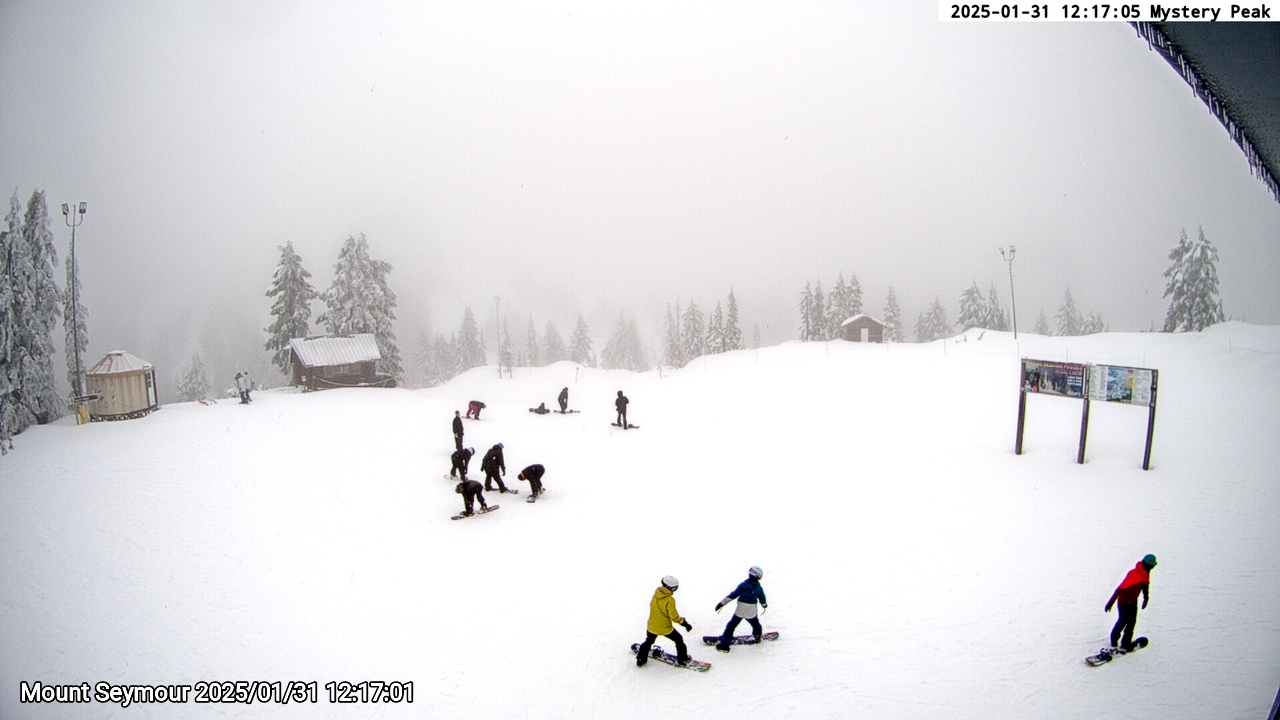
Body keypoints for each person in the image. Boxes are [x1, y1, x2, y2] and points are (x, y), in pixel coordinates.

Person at [636, 576, 691, 667]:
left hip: (651, 626)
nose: (674, 591)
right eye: (674, 588)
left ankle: (640, 658)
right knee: (679, 640)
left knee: (649, 641)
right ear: (669, 587)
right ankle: (683, 659)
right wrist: (684, 623)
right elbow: (674, 617)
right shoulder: (669, 600)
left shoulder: (656, 594)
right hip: (665, 628)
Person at [1105, 553, 1157, 651]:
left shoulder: (1145, 573)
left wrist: (1146, 598)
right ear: (1147, 564)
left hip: (1133, 602)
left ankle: (1126, 643)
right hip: (1123, 603)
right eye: (1152, 566)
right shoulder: (1133, 574)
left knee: (1131, 623)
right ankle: (1114, 641)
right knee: (1122, 621)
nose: (1153, 568)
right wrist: (1111, 602)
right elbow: (1120, 589)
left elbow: (1145, 585)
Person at [714, 566, 767, 653]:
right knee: (755, 624)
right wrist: (764, 605)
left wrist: (721, 603)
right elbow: (762, 599)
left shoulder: (743, 585)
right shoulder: (759, 588)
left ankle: (724, 645)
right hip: (752, 611)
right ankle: (757, 636)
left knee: (731, 626)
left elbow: (733, 595)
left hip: (741, 610)